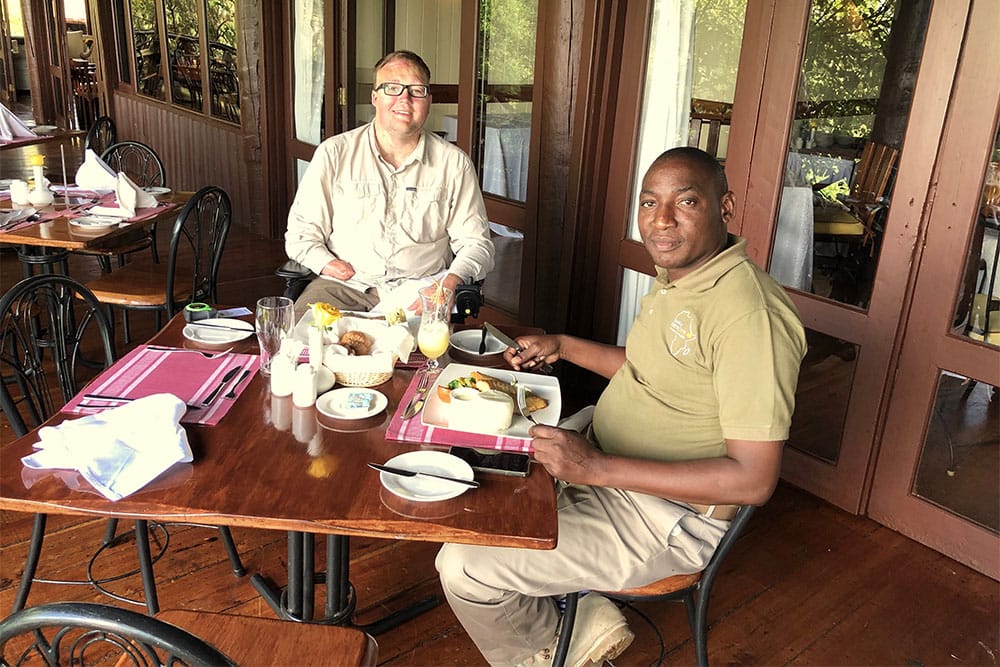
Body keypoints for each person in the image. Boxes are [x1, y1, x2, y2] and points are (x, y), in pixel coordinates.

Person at [435, 147, 807, 667]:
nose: (662, 220)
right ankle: (580, 612)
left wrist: (597, 468)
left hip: (661, 516)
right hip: (600, 455)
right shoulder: (685, 278)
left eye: (687, 202)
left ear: (725, 208)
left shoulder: (750, 317)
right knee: (470, 466)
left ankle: (548, 650)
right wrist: (561, 344)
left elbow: (753, 479)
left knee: (463, 564)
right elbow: (654, 366)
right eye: (650, 202)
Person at [285, 50, 494, 317]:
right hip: (344, 287)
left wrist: (451, 281)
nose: (404, 99)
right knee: (301, 343)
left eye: (416, 90)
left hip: (421, 291)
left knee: (425, 356)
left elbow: (477, 243)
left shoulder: (453, 164)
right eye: (392, 88)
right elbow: (301, 234)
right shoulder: (334, 154)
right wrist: (326, 264)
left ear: (428, 100)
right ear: (375, 97)